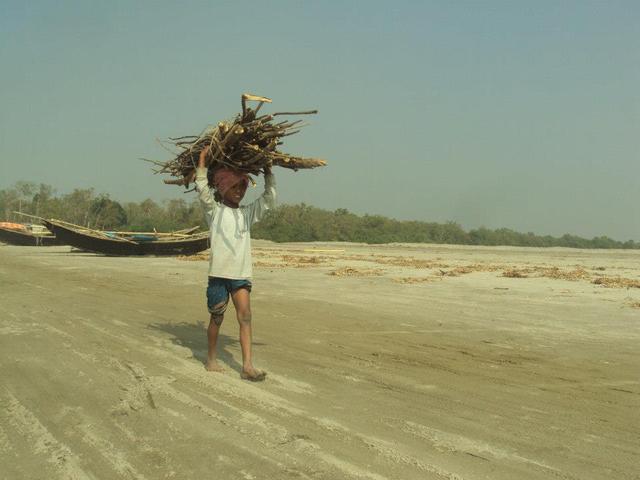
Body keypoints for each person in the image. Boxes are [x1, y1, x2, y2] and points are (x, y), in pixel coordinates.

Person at [195, 147, 276, 381]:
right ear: (223, 188)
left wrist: (268, 172)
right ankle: (211, 359)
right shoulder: (214, 211)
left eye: (242, 187)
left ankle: (247, 366)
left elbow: (269, 199)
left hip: (240, 275)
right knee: (217, 318)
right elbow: (202, 189)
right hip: (219, 275)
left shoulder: (246, 214)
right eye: (234, 187)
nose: (239, 191)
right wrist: (202, 161)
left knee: (246, 316)